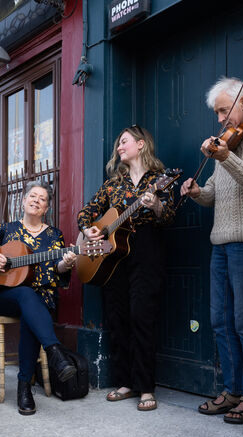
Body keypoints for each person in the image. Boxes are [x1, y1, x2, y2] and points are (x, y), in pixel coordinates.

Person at [180, 77, 243, 424]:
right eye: (217, 112)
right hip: (220, 242)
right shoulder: (224, 144)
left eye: (222, 110)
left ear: (242, 102)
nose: (219, 118)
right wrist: (197, 191)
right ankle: (231, 390)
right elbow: (216, 193)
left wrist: (226, 155)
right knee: (220, 321)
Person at [78, 125, 177, 412]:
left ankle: (145, 386)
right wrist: (89, 231)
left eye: (124, 142)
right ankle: (125, 381)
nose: (119, 148)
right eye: (118, 144)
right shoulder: (112, 185)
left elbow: (168, 215)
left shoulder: (160, 179)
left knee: (142, 315)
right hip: (113, 257)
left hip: (146, 250)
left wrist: (155, 203)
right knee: (118, 315)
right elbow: (85, 213)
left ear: (142, 144)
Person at [0, 180, 78, 416]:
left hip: (41, 297)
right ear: (24, 201)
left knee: (31, 310)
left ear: (46, 208)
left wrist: (66, 264)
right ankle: (55, 351)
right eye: (32, 196)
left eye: (42, 198)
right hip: (8, 297)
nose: (36, 200)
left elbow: (57, 269)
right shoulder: (7, 230)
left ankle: (24, 387)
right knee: (26, 295)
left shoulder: (54, 235)